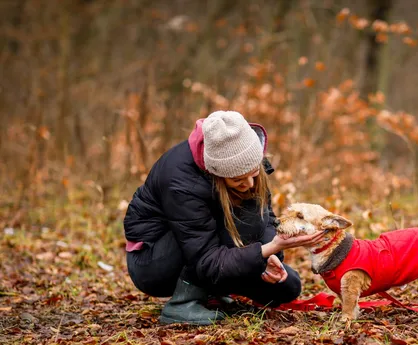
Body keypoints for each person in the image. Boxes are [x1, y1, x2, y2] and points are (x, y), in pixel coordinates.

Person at [123, 111, 326, 325]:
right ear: (217, 174)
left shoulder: (245, 153)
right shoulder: (180, 181)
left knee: (288, 285)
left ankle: (212, 291)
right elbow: (203, 255)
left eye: (254, 173)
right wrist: (264, 250)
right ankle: (181, 304)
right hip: (155, 261)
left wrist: (267, 255)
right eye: (238, 180)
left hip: (211, 247)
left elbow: (265, 218)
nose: (249, 184)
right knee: (240, 229)